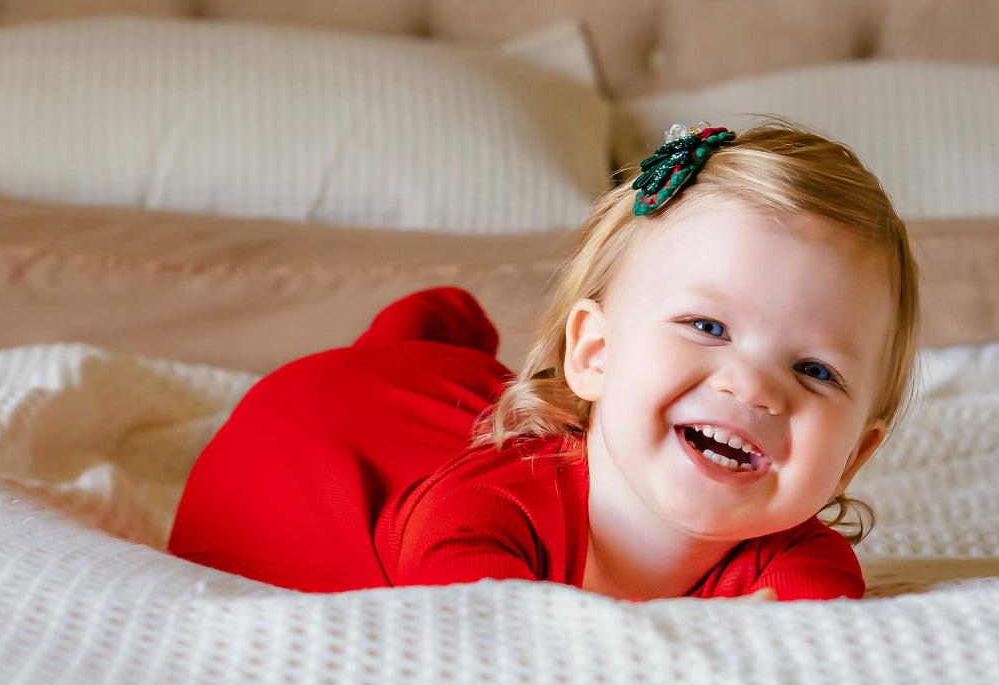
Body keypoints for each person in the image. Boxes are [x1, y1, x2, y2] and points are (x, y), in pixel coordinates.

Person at [169, 120, 919, 601]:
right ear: (593, 353)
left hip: (453, 428)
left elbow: (820, 609)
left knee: (484, 400)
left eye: (815, 370)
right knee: (433, 375)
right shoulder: (479, 520)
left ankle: (435, 338)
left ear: (854, 454)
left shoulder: (782, 545)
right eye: (707, 324)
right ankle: (427, 328)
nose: (752, 385)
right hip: (326, 429)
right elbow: (506, 652)